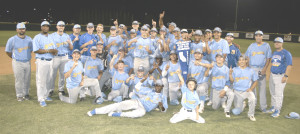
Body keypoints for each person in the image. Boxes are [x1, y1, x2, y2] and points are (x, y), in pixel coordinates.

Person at [87, 79, 168, 118]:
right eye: (156, 85)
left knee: (140, 114)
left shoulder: (163, 97)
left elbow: (164, 110)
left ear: (162, 87)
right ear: (155, 86)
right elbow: (136, 88)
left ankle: (118, 114)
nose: (157, 87)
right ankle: (96, 111)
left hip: (144, 109)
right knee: (118, 104)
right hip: (137, 102)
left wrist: (161, 106)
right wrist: (143, 80)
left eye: (159, 86)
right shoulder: (149, 91)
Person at [245, 30, 272, 112]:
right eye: (257, 35)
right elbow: (247, 57)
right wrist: (248, 68)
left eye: (260, 35)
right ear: (255, 37)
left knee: (262, 88)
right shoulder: (251, 46)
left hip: (261, 69)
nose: (258, 37)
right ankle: (253, 103)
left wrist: (264, 69)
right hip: (252, 69)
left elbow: (268, 58)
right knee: (252, 88)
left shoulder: (266, 46)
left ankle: (263, 107)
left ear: (262, 37)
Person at [32, 21, 58, 107]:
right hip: (42, 61)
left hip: (51, 60)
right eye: (44, 26)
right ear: (41, 27)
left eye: (47, 26)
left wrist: (54, 51)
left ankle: (46, 95)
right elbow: (36, 50)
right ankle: (41, 99)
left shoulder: (51, 37)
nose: (45, 27)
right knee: (41, 81)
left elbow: (54, 49)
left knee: (48, 80)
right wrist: (49, 50)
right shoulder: (37, 37)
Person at [5, 23, 33, 101]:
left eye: (23, 29)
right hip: (17, 62)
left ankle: (26, 93)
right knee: (19, 79)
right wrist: (13, 57)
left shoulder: (29, 39)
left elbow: (31, 50)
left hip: (27, 62)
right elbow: (8, 51)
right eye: (20, 29)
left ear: (25, 29)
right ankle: (19, 95)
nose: (21, 30)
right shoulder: (12, 39)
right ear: (17, 30)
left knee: (27, 79)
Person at [268, 37, 293, 117]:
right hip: (273, 75)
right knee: (273, 92)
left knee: (278, 93)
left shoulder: (286, 53)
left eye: (278, 42)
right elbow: (273, 63)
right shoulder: (274, 52)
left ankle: (277, 110)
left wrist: (285, 76)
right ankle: (273, 106)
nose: (277, 43)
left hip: (280, 75)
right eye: (275, 42)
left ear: (282, 43)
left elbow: (289, 65)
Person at [229, 55, 258, 121]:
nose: (241, 61)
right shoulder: (234, 69)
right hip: (237, 92)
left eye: (243, 60)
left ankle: (251, 114)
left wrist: (251, 89)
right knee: (236, 112)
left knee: (253, 98)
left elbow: (255, 81)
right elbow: (232, 81)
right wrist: (230, 74)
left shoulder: (251, 70)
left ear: (246, 61)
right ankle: (243, 105)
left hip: (246, 91)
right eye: (239, 60)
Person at [49, 21, 73, 96]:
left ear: (64, 27)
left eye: (62, 26)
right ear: (57, 26)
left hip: (65, 57)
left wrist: (69, 43)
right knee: (52, 74)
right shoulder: (52, 36)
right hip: (55, 57)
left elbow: (71, 48)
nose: (61, 27)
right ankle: (50, 89)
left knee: (62, 74)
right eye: (59, 26)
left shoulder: (67, 36)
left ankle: (61, 89)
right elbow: (49, 47)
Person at [188, 49, 211, 113]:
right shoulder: (191, 62)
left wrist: (200, 63)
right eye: (196, 53)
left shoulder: (205, 61)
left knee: (201, 89)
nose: (197, 55)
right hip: (194, 83)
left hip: (203, 83)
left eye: (199, 54)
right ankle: (202, 97)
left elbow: (210, 66)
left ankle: (202, 106)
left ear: (202, 55)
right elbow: (188, 74)